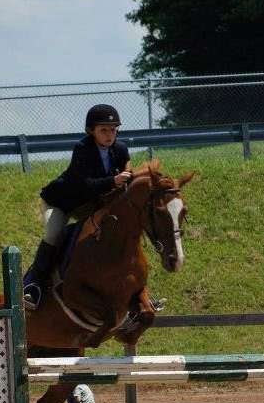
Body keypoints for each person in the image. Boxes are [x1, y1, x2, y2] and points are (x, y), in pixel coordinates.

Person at [23, 104, 163, 313]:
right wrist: (113, 180)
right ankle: (33, 285)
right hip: (63, 202)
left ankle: (139, 292)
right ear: (92, 131)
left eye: (113, 129)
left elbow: (127, 180)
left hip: (93, 204)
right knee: (55, 233)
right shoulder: (82, 148)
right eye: (103, 130)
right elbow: (84, 184)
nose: (109, 135)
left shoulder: (121, 150)